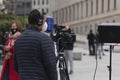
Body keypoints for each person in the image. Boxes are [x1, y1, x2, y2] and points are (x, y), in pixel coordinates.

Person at [13, 9, 58, 80]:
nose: (44, 23)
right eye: (44, 20)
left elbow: (15, 65)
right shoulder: (44, 39)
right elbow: (51, 65)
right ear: (39, 22)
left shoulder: (18, 40)